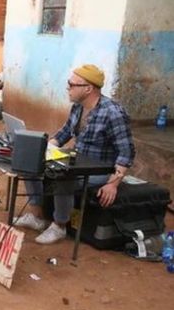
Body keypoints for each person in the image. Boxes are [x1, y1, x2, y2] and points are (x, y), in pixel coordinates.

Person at [16, 65, 136, 244]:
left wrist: (113, 184)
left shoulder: (113, 113)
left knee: (64, 177)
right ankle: (38, 217)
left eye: (72, 84)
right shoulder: (78, 108)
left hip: (100, 170)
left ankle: (60, 226)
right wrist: (41, 149)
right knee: (29, 166)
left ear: (88, 89)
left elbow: (126, 152)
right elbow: (63, 134)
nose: (68, 88)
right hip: (78, 162)